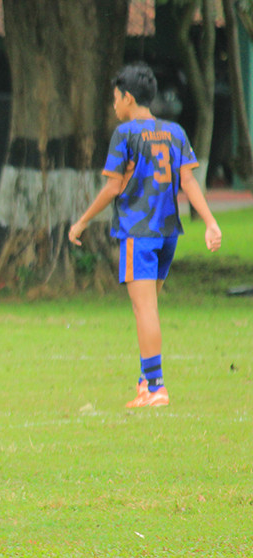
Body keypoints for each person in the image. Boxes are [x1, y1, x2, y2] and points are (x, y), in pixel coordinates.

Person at [69, 62, 221, 408]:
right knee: (149, 307)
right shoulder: (175, 132)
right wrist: (211, 222)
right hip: (168, 233)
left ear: (127, 97)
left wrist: (81, 222)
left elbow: (112, 188)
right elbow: (189, 182)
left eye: (115, 98)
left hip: (139, 232)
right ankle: (144, 382)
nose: (113, 105)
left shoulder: (125, 134)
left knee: (145, 310)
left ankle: (156, 388)